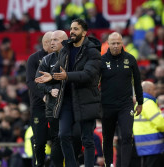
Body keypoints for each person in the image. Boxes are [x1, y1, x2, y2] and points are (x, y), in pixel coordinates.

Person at [35, 18, 102, 167]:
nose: (72, 31)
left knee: (87, 139)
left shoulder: (93, 51)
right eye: (71, 29)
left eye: (76, 29)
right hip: (66, 99)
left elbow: (88, 75)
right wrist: (50, 76)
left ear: (84, 32)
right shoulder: (66, 49)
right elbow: (58, 70)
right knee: (63, 135)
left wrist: (67, 76)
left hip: (85, 99)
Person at [100, 32, 143, 167]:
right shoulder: (101, 61)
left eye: (118, 43)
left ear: (122, 43)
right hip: (107, 105)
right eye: (113, 43)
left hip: (126, 104)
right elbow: (94, 84)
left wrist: (140, 102)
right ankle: (108, 164)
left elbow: (137, 81)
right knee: (107, 137)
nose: (116, 46)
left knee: (127, 135)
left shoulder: (130, 59)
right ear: (108, 43)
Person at [35, 30, 69, 167]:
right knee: (57, 139)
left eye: (55, 40)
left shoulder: (72, 57)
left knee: (72, 138)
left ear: (65, 41)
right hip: (53, 108)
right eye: (51, 40)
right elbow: (38, 81)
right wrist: (49, 90)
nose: (52, 43)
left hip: (70, 105)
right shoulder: (46, 60)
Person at [26, 31, 52, 167]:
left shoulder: (60, 57)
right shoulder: (34, 58)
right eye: (52, 41)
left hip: (56, 105)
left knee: (60, 138)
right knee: (39, 141)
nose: (54, 43)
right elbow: (30, 82)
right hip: (39, 106)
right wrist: (43, 96)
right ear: (45, 42)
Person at [133, 81, 164, 167]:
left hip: (142, 143)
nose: (156, 92)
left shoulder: (139, 104)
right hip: (153, 144)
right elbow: (160, 123)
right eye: (154, 89)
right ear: (149, 90)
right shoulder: (149, 103)